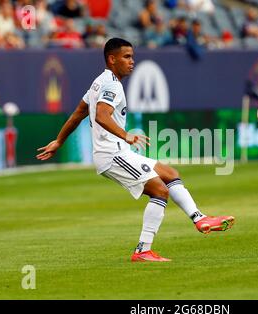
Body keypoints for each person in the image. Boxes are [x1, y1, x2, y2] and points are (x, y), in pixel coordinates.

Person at [36, 38, 235, 262]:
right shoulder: (111, 85)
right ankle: (143, 250)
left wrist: (59, 141)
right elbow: (101, 115)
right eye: (126, 57)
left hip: (119, 152)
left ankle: (200, 219)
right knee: (160, 191)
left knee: (170, 174)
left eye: (132, 56)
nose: (132, 62)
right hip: (112, 154)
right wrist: (127, 135)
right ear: (112, 59)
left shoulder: (99, 82)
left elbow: (79, 112)